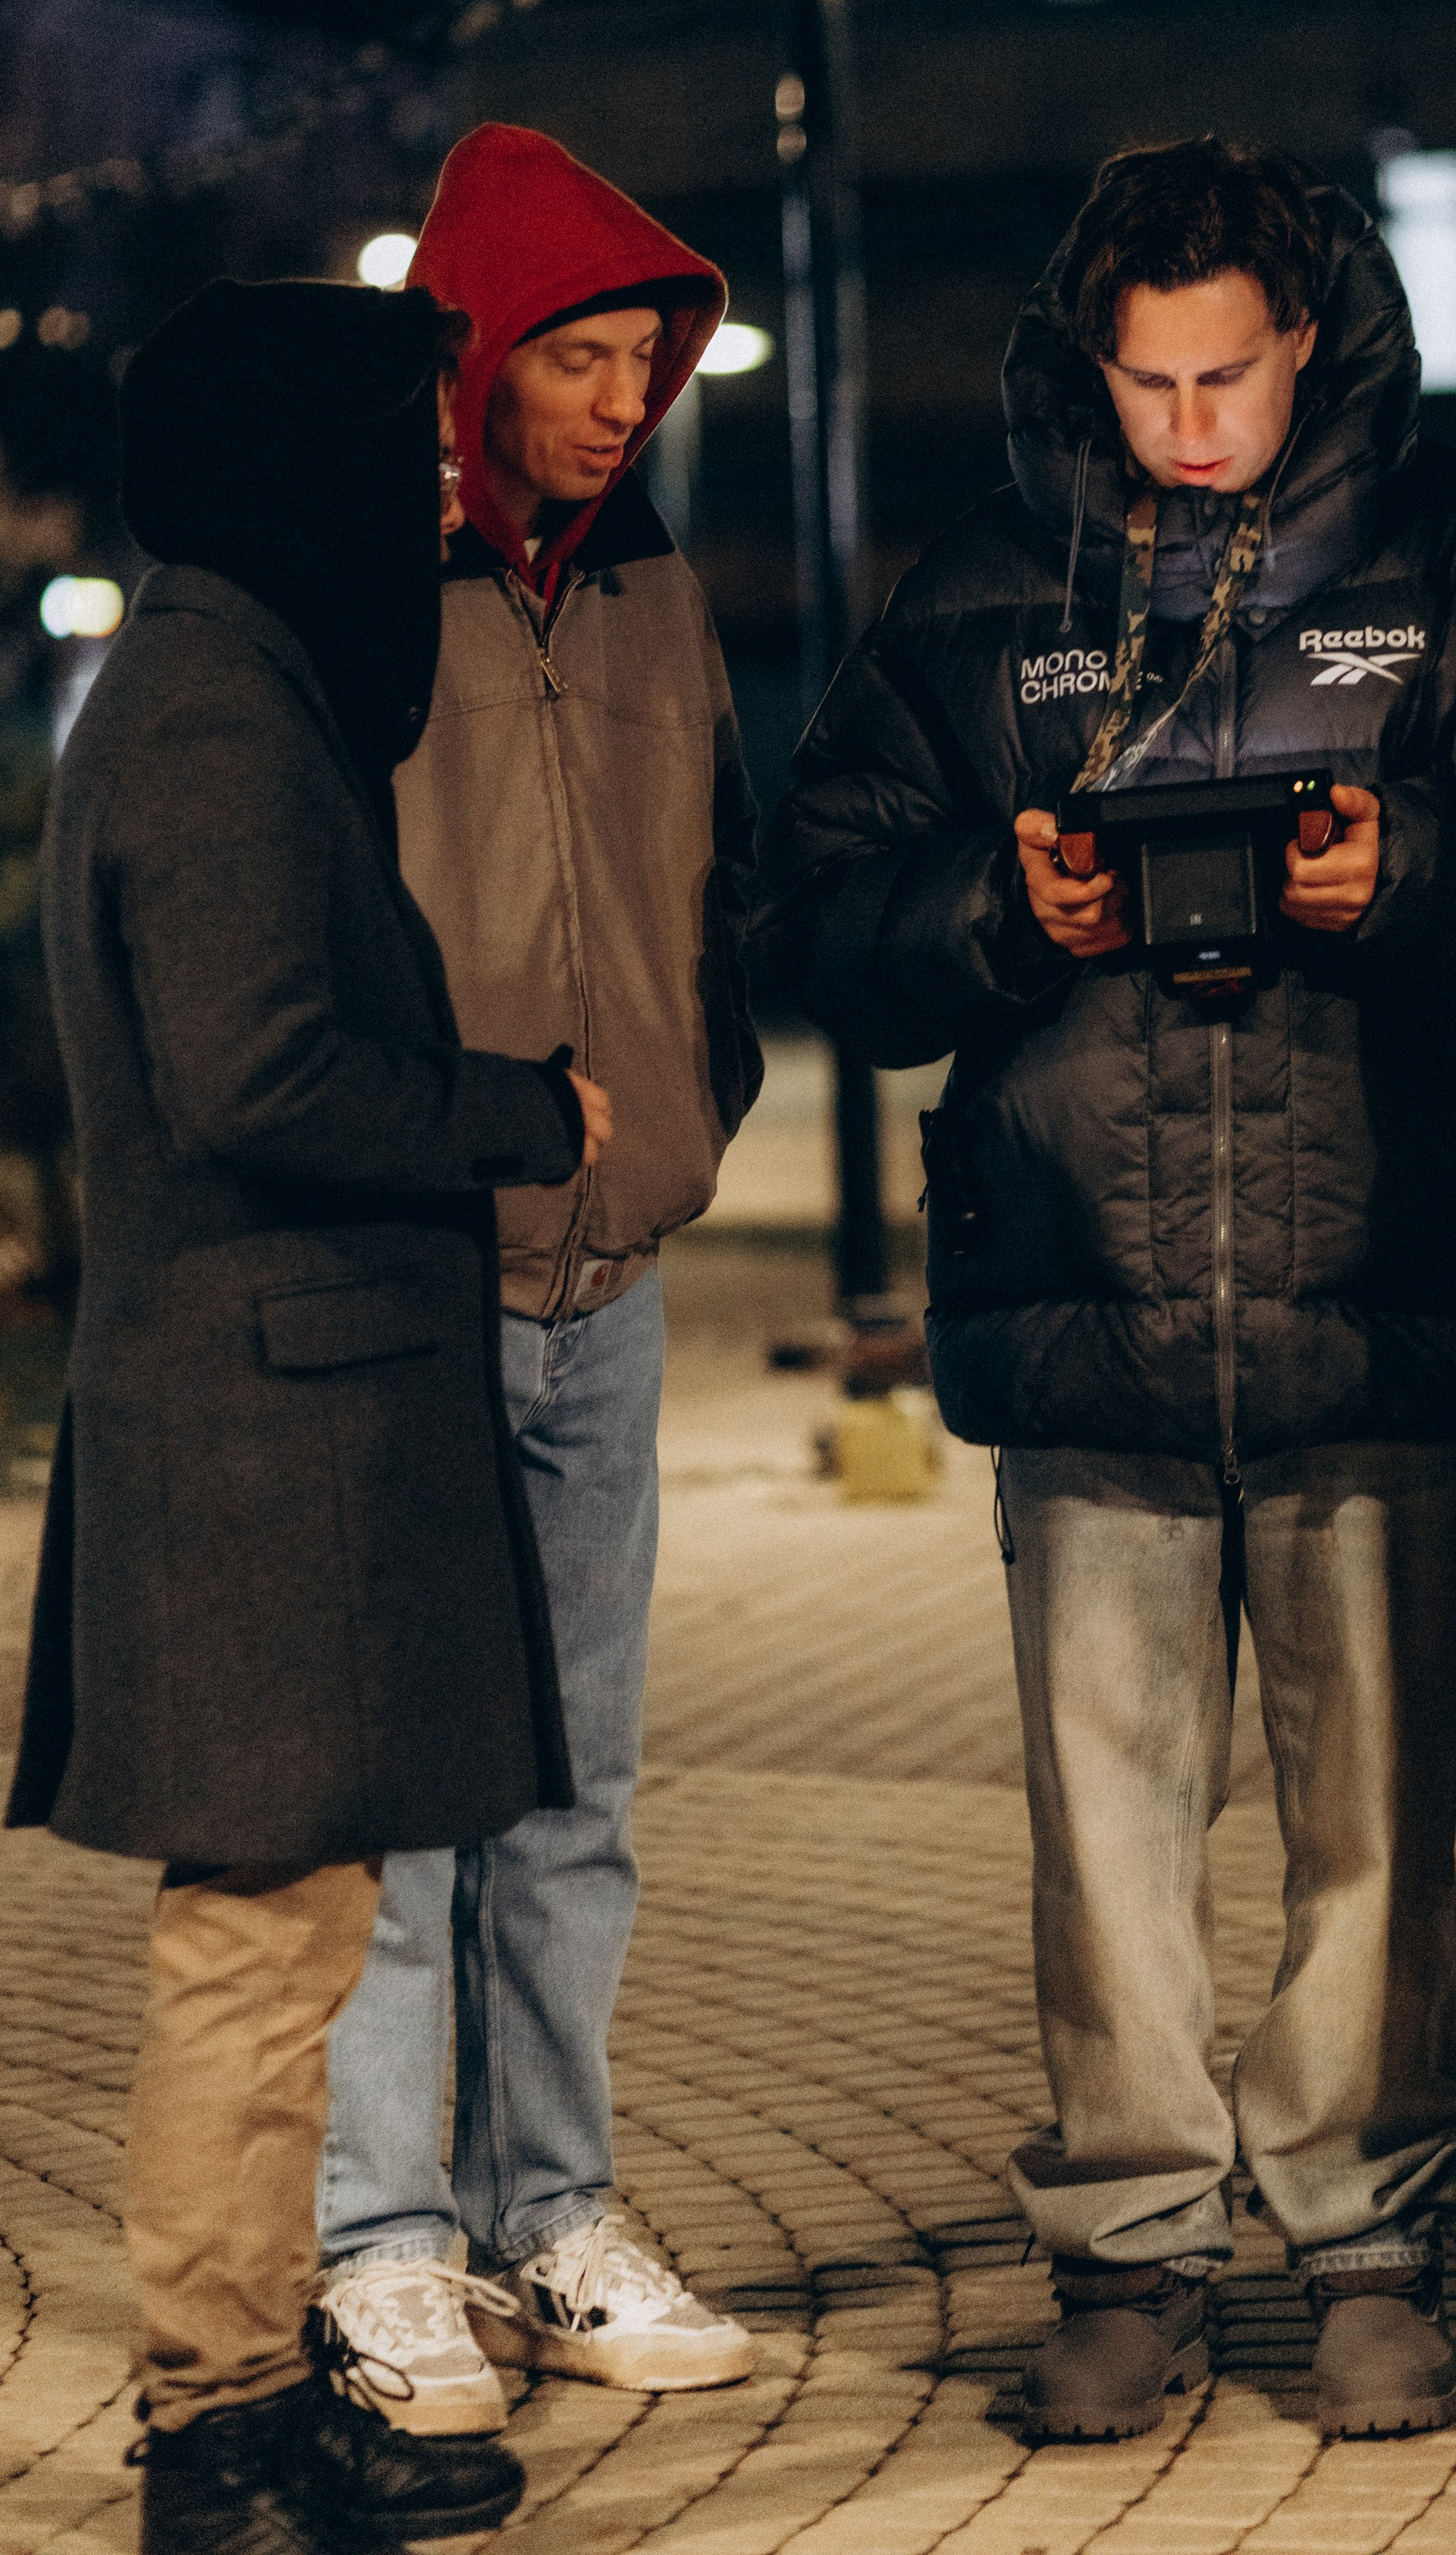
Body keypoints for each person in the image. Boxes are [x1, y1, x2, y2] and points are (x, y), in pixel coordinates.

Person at [757, 137, 1456, 2442]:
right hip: (1087, 1299)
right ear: (1093, 364)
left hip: (1385, 1285)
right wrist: (991, 914)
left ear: (1307, 335)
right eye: (1147, 384)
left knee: (1378, 1829)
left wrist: (1411, 874)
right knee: (1105, 1835)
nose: (1190, 426)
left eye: (1226, 376)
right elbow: (811, 909)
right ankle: (1131, 2256)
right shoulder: (987, 583)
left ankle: (1368, 2244)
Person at [7, 278, 611, 2555]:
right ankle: (215, 2439)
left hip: (281, 1424)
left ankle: (258, 2405)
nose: (437, 483)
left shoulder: (226, 678)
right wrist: (512, 1108)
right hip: (264, 1441)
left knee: (286, 1940)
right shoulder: (208, 706)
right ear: (292, 459)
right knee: (256, 1959)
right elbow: (256, 1069)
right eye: (406, 443)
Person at [315, 123, 764, 2423]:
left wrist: (700, 1096)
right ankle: (382, 2243)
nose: (618, 397)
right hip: (422, 1269)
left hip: (615, 1273)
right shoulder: (370, 580)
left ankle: (549, 2212)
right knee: (406, 1797)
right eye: (576, 354)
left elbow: (711, 880)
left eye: (643, 358)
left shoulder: (654, 580)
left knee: (575, 1787)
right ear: (478, 352)